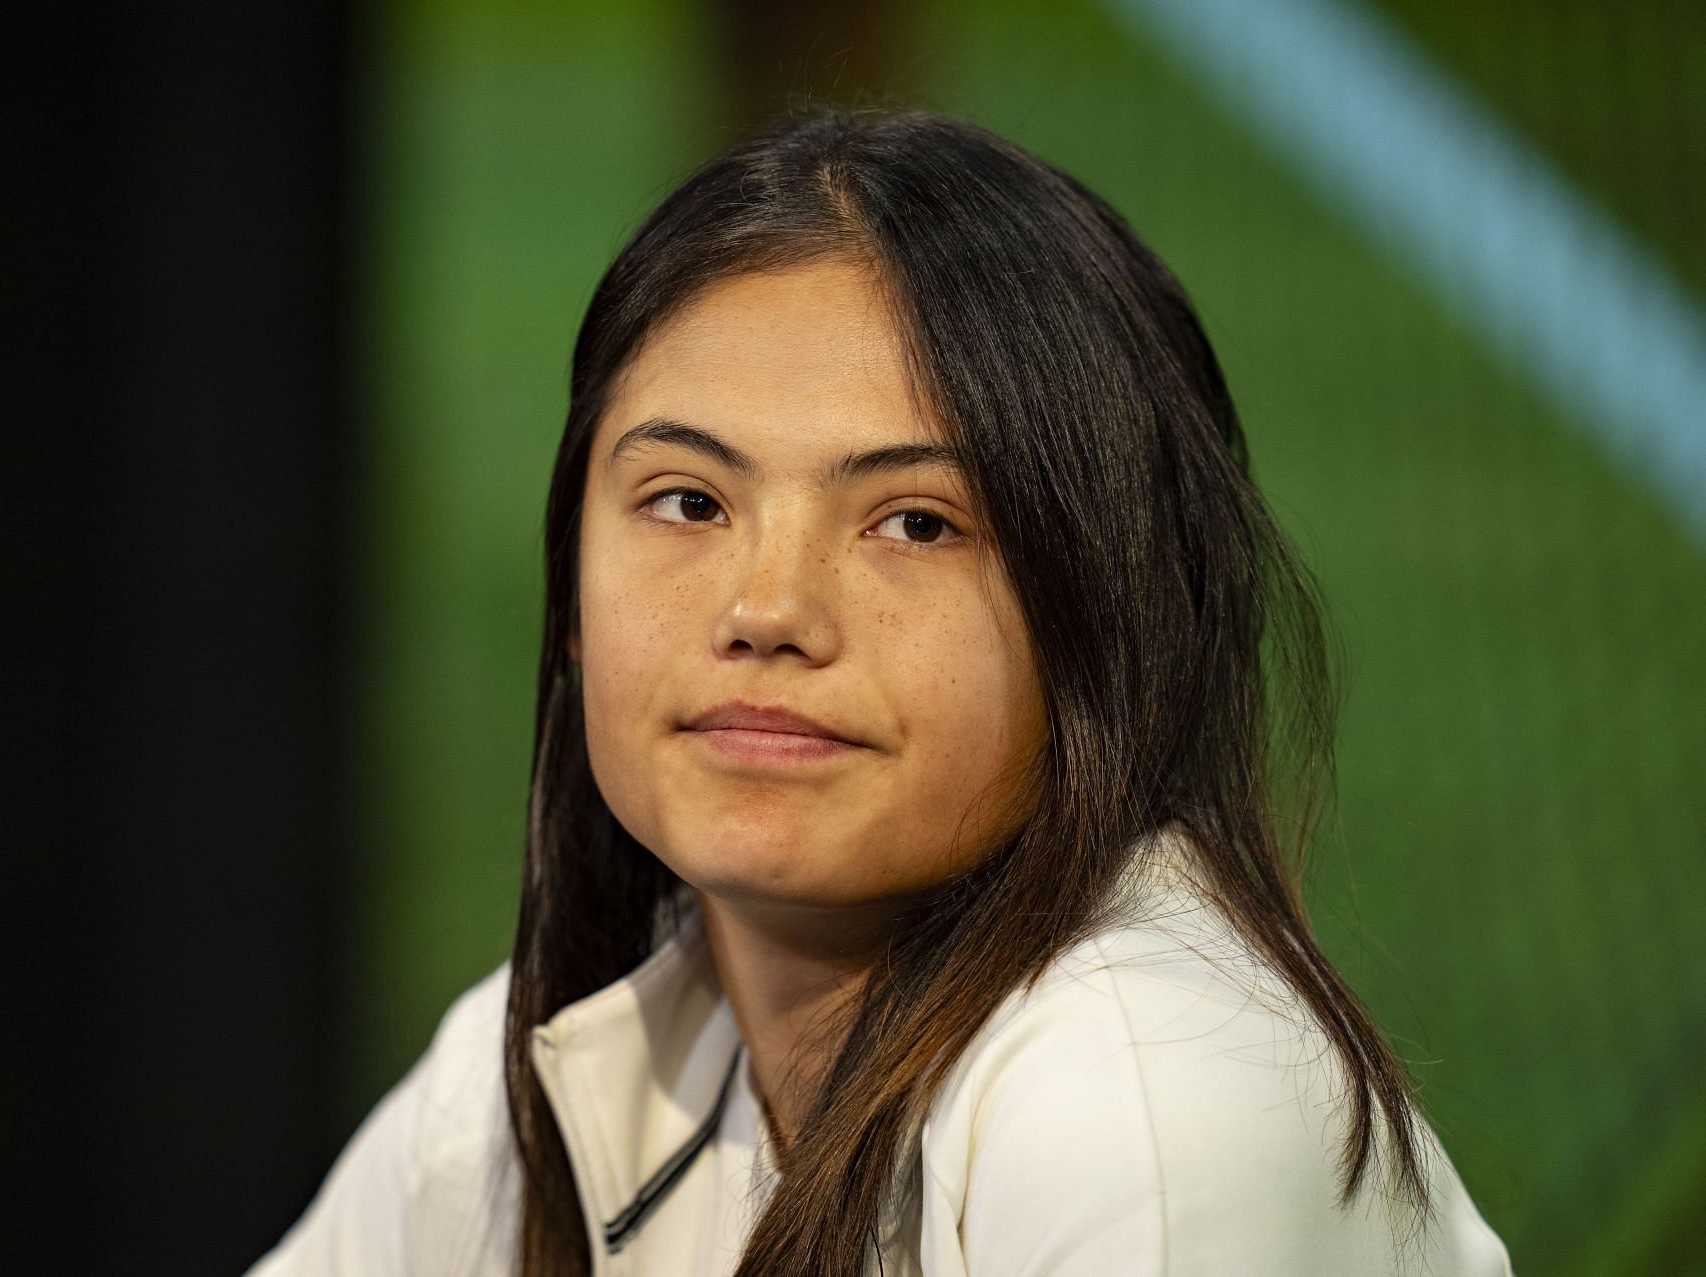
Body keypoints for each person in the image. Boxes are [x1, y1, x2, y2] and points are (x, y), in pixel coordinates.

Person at [249, 108, 1514, 1276]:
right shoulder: (529, 1076)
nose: (767, 611)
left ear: (1112, 617)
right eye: (687, 501)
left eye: (914, 522)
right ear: (572, 603)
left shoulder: (1141, 1100)